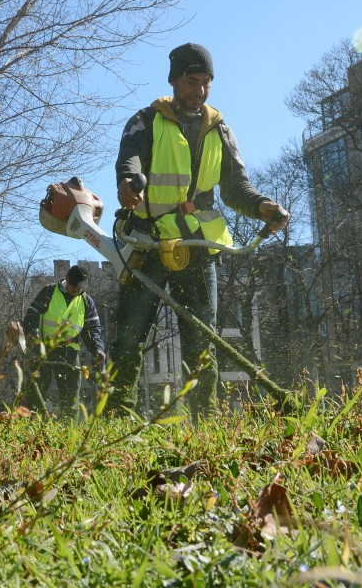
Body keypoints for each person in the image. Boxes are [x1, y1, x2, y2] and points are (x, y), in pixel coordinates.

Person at [110, 43, 289, 419]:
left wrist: (262, 207)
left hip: (195, 245)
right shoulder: (146, 121)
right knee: (129, 334)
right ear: (175, 80)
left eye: (207, 82)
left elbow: (237, 188)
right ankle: (117, 417)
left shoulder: (219, 129)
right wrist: (128, 181)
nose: (200, 90)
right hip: (149, 239)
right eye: (193, 81)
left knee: (201, 336)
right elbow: (130, 158)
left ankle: (203, 419)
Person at [7, 265, 106, 417]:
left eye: (80, 288)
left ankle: (68, 430)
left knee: (71, 396)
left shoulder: (86, 301)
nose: (76, 291)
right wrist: (31, 332)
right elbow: (32, 314)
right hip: (43, 349)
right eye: (74, 287)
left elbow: (93, 329)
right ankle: (29, 425)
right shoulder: (49, 292)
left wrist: (97, 349)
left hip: (70, 351)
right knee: (36, 391)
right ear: (67, 279)